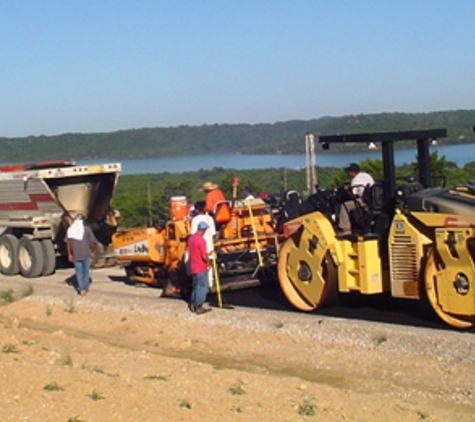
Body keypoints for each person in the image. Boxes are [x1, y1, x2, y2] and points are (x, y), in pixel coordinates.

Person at [338, 163, 374, 235]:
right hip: (373, 199)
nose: (348, 174)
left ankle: (346, 229)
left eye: (348, 172)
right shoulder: (366, 175)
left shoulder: (355, 180)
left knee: (344, 206)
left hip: (363, 200)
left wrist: (347, 190)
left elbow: (354, 195)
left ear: (352, 172)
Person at [64, 214, 97, 295]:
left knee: (79, 272)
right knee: (86, 272)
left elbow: (68, 244)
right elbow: (92, 242)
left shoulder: (70, 230)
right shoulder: (87, 229)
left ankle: (81, 289)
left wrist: (69, 254)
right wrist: (92, 251)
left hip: (76, 255)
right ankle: (84, 288)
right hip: (86, 254)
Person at [187, 221, 212, 314]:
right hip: (201, 267)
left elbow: (194, 251)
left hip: (193, 266)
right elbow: (203, 256)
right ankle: (199, 306)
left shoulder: (191, 239)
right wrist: (209, 261)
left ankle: (192, 303)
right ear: (204, 230)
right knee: (202, 287)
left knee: (195, 285)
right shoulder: (201, 240)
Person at [190, 201, 216, 288]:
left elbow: (193, 234)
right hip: (209, 246)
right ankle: (210, 285)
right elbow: (213, 234)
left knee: (199, 269)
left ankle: (201, 288)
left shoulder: (195, 220)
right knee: (210, 268)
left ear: (197, 210)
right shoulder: (210, 219)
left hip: (199, 247)